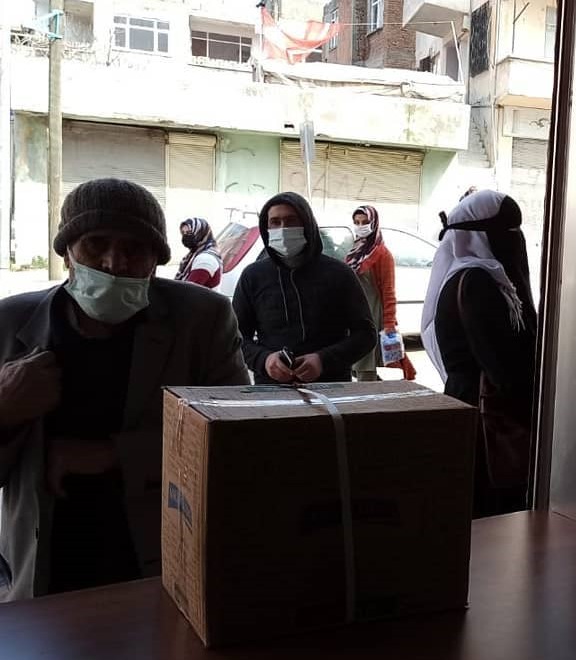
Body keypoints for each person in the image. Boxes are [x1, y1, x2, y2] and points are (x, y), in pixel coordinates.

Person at [0, 178, 249, 601]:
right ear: (67, 253)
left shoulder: (202, 321)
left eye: (135, 248)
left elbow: (237, 442)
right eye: (96, 244)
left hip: (161, 565)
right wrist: (5, 409)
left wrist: (113, 454)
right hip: (44, 570)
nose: (115, 262)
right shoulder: (11, 324)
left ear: (157, 261)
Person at [421, 190, 538, 517]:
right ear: (478, 236)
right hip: (485, 423)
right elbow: (503, 368)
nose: (515, 239)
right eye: (507, 231)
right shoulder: (476, 282)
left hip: (472, 412)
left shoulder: (480, 277)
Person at [232, 192, 376, 385]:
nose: (283, 229)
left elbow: (366, 335)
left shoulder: (339, 274)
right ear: (266, 228)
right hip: (271, 390)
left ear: (307, 223)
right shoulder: (253, 276)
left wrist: (323, 360)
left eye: (291, 221)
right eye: (275, 222)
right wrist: (264, 360)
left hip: (331, 387)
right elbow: (235, 338)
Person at [345, 206, 416, 382]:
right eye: (356, 222)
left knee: (365, 364)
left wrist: (389, 323)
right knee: (354, 361)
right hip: (354, 314)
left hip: (372, 315)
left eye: (364, 222)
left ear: (374, 223)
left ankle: (369, 395)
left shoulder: (382, 254)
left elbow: (389, 292)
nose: (360, 226)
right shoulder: (354, 252)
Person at [175, 217, 222, 290]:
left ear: (200, 233)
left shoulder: (205, 260)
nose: (185, 237)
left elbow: (188, 290)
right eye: (183, 233)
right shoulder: (194, 254)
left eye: (189, 233)